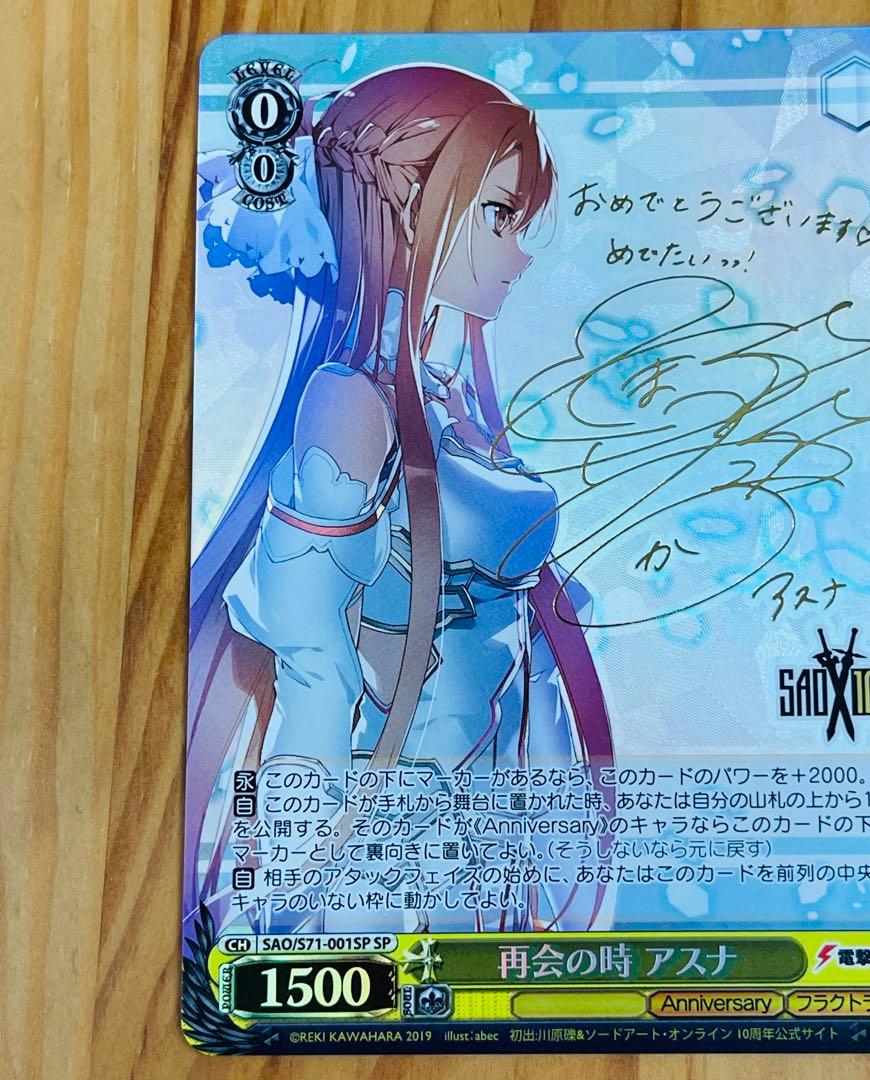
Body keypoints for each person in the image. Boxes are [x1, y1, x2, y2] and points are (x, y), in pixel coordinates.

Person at [186, 64, 614, 938]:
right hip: (391, 834)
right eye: (498, 215)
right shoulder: (351, 404)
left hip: (486, 805)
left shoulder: (444, 396)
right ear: (411, 209)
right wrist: (293, 884)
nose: (520, 250)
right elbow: (315, 666)